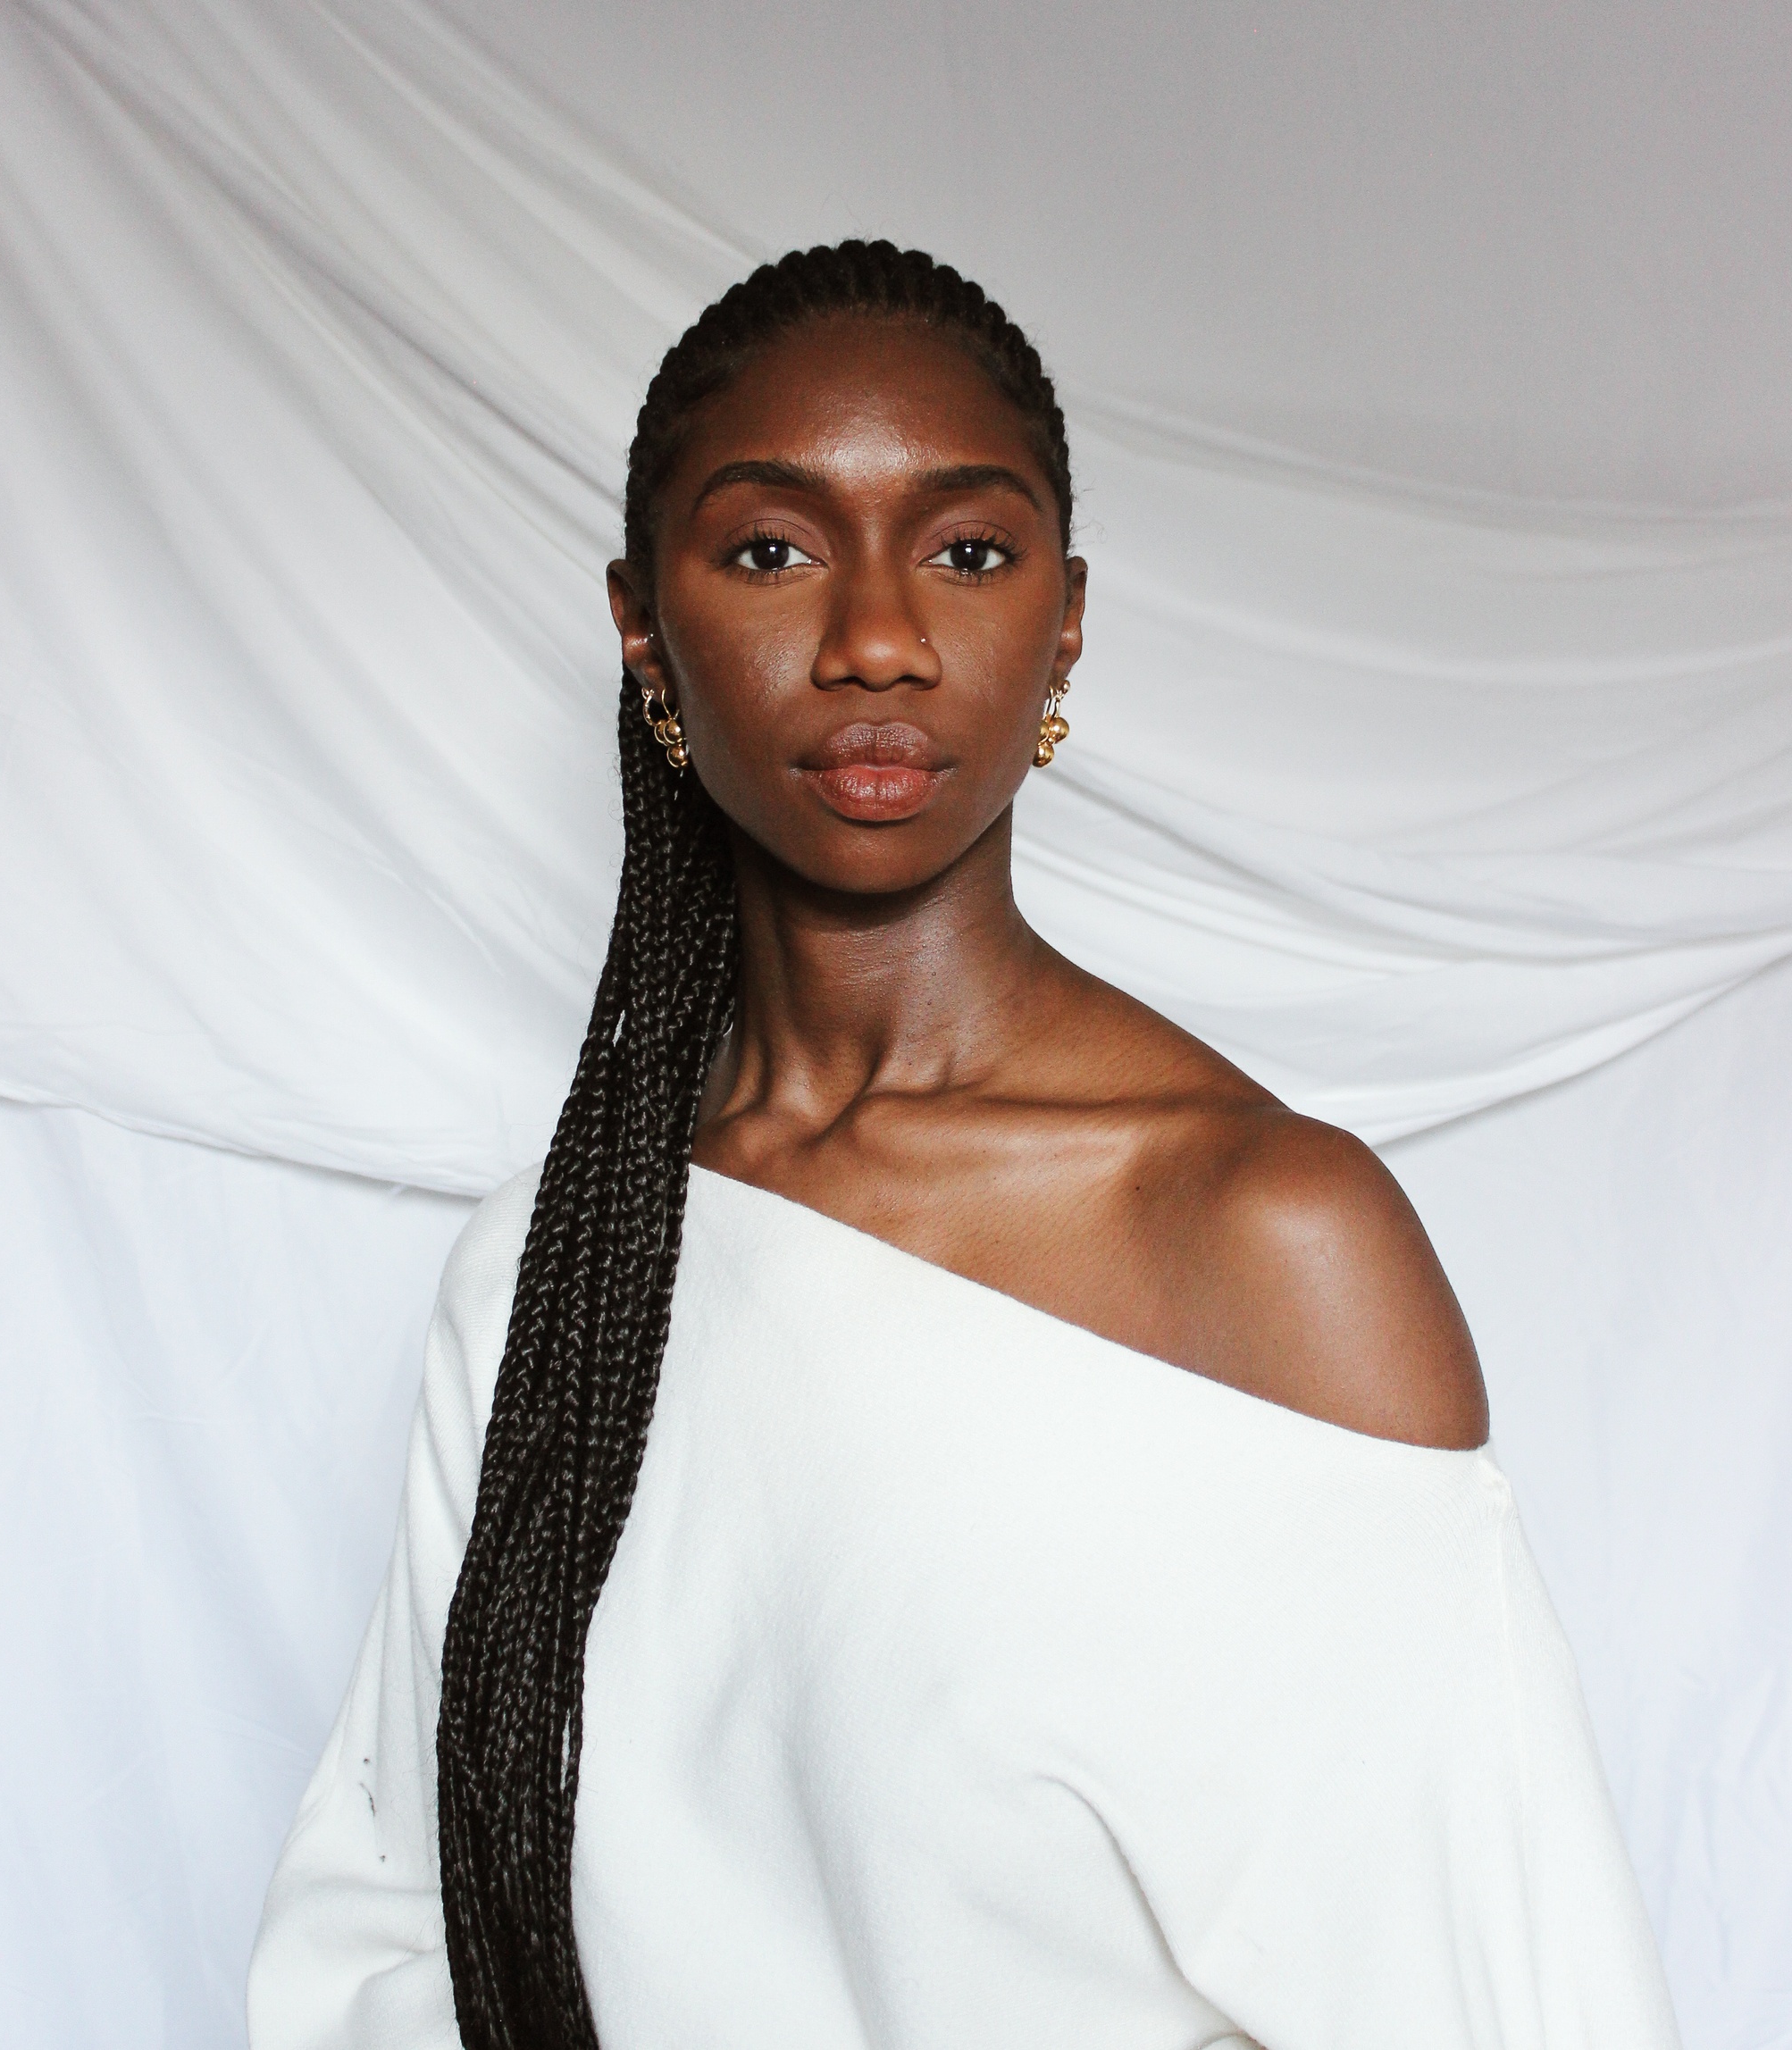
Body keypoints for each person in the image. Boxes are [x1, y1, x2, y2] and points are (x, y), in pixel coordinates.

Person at [248, 241, 1679, 2050]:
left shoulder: (1260, 1233)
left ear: (1064, 617)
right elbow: (401, 1917)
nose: (873, 635)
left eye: (967, 550)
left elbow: (1494, 1989)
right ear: (641, 623)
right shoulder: (559, 1268)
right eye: (771, 548)